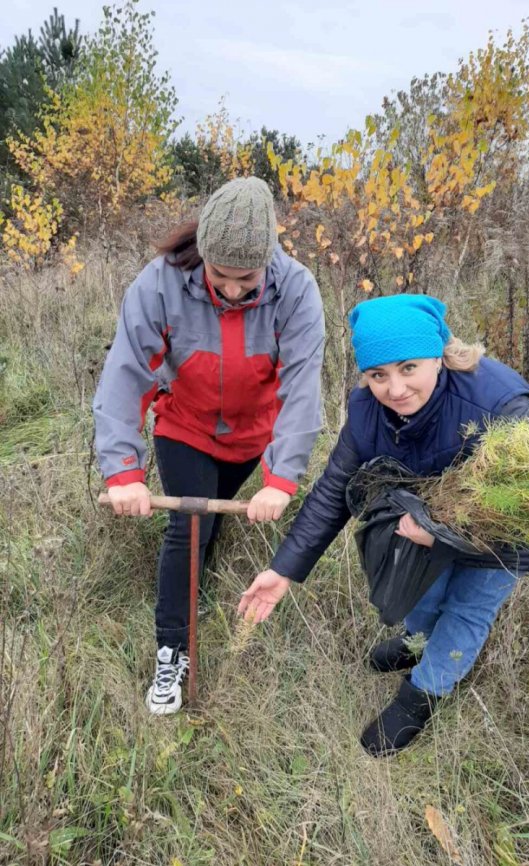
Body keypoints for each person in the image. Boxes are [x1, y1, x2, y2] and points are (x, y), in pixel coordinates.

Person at [239, 293, 529, 757]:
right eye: (378, 374)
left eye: (409, 367)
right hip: (429, 515)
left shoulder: (501, 407)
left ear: (438, 355)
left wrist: (449, 537)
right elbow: (333, 490)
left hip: (501, 531)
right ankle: (417, 641)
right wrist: (283, 569)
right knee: (422, 590)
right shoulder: (369, 409)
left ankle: (421, 695)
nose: (395, 389)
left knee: (467, 607)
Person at [93, 177, 325, 715]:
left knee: (212, 522)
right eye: (221, 275)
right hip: (186, 426)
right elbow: (126, 375)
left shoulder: (297, 290)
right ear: (203, 255)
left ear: (267, 261)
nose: (234, 289)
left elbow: (301, 391)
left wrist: (280, 479)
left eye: (247, 279)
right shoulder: (160, 284)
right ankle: (173, 649)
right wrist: (123, 471)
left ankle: (197, 583)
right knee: (189, 526)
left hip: (251, 435)